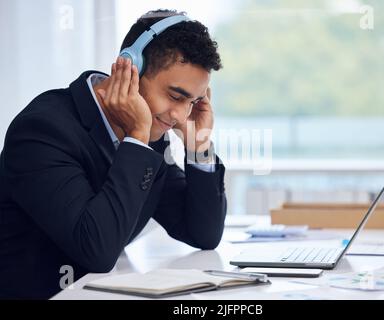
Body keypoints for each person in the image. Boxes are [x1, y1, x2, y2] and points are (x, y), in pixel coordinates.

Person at [0, 9, 227, 299]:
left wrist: (199, 144)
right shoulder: (43, 130)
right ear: (130, 68)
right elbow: (96, 251)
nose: (181, 115)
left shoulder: (151, 135)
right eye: (175, 96)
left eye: (193, 102)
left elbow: (202, 233)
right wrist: (137, 138)